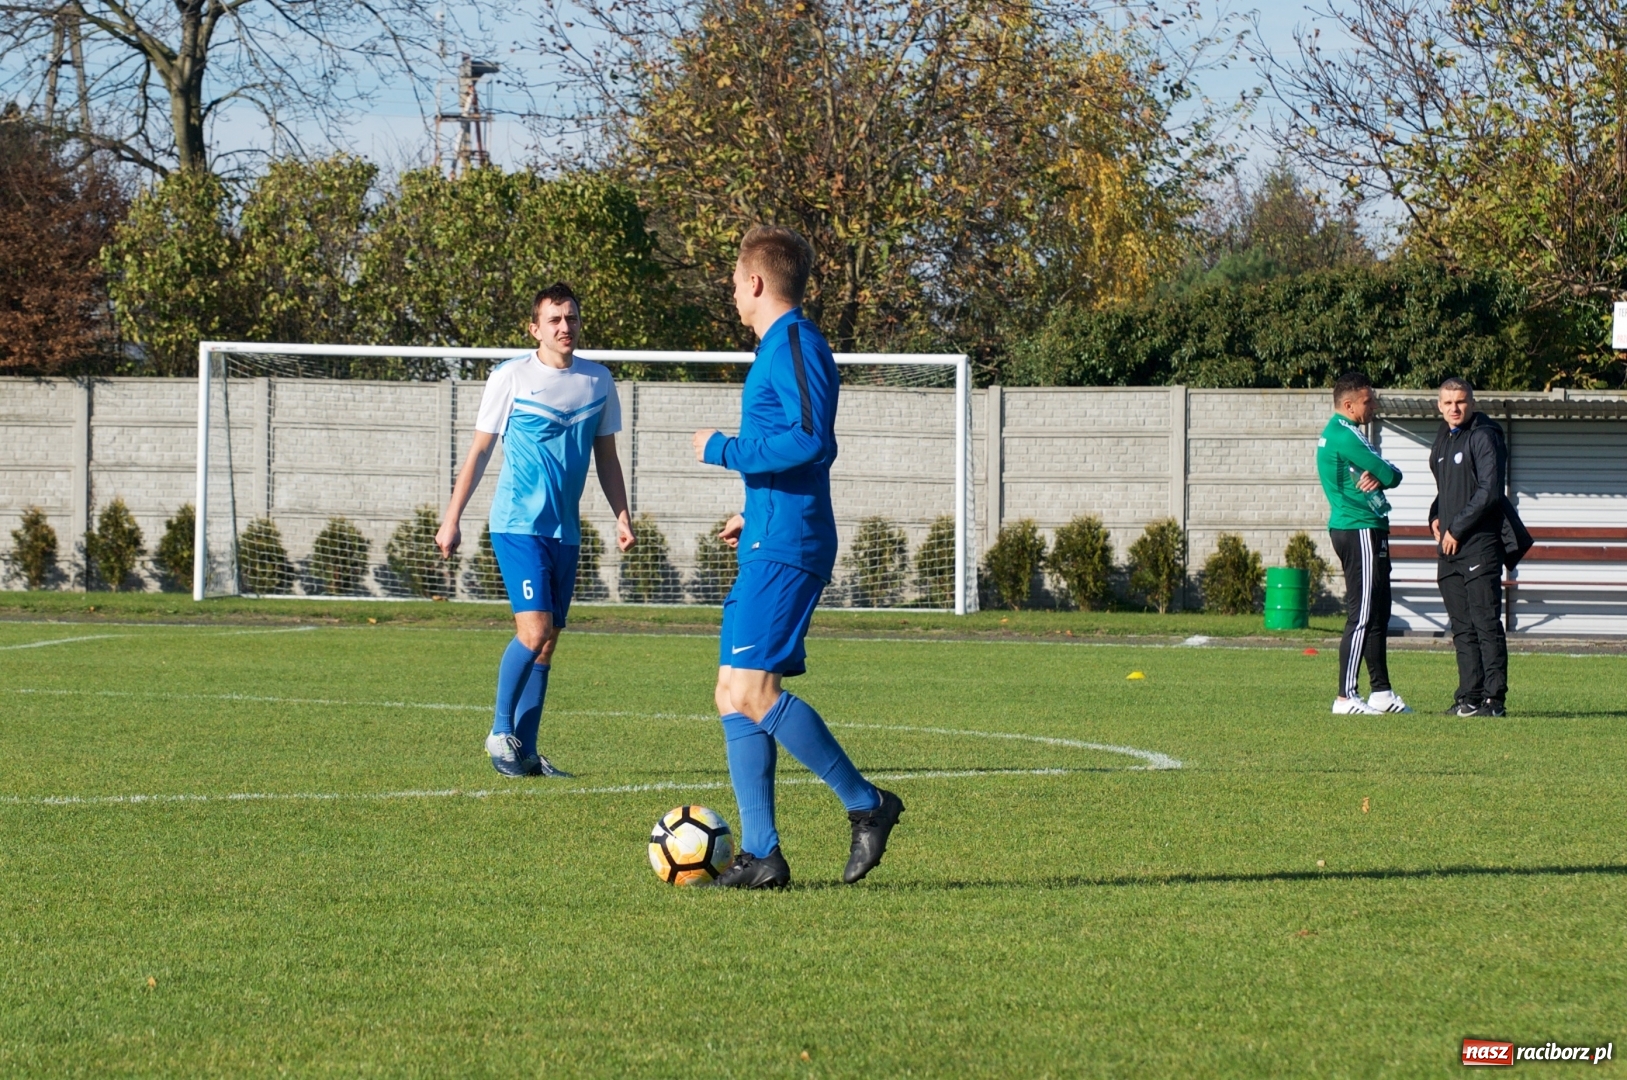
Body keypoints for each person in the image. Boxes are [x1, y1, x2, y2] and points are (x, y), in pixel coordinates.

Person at [690, 225, 903, 889]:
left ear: (755, 282)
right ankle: (761, 855)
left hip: (790, 543)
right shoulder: (775, 351)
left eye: (732, 281)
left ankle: (866, 804)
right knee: (731, 691)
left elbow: (812, 441)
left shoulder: (795, 343)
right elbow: (787, 446)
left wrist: (722, 448)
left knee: (755, 689)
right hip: (768, 532)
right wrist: (750, 510)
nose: (731, 292)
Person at [436, 282, 635, 776]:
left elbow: (606, 458)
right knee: (534, 631)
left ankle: (525, 752)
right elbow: (480, 451)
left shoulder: (598, 381)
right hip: (517, 525)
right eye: (554, 320)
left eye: (571, 318)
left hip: (565, 532)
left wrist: (622, 515)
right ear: (535, 328)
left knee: (548, 642)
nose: (565, 327)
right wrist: (452, 517)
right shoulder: (511, 377)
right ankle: (500, 730)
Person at [1316, 371, 1412, 715]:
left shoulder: (1346, 433)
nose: (1374, 405)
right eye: (1368, 401)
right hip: (1358, 529)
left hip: (1366, 527)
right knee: (1361, 615)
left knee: (1378, 611)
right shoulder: (1345, 436)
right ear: (1348, 404)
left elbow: (1382, 473)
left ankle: (1381, 692)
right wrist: (1383, 473)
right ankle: (1345, 696)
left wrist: (1381, 473)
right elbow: (1391, 474)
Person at [1429, 377, 1510, 717]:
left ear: (1472, 402)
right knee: (1461, 626)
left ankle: (1494, 700)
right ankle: (1469, 696)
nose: (1454, 408)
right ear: (1439, 405)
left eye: (1460, 401)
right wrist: (1434, 515)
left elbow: (1488, 492)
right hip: (1449, 549)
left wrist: (1457, 528)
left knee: (1485, 622)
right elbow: (1448, 489)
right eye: (1448, 403)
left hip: (1479, 546)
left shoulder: (1484, 435)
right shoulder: (1444, 438)